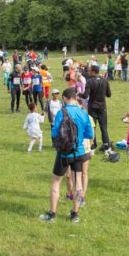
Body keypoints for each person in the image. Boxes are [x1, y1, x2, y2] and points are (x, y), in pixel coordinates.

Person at [39, 88, 94, 223]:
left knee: (56, 181)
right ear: (75, 97)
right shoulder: (83, 113)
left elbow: (54, 133)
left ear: (64, 98)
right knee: (78, 183)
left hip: (64, 154)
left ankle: (52, 214)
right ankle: (75, 214)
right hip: (79, 152)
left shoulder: (61, 112)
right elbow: (90, 134)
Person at [81, 65, 112, 151]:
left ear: (94, 71)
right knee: (103, 127)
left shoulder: (89, 81)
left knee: (92, 126)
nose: (88, 72)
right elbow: (109, 95)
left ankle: (93, 144)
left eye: (90, 71)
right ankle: (106, 145)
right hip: (102, 107)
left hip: (92, 107)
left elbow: (85, 95)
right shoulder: (104, 81)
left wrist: (78, 94)